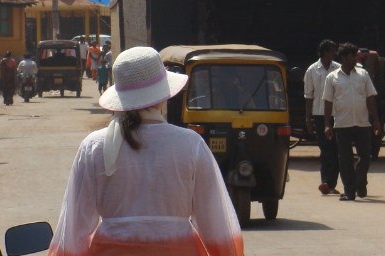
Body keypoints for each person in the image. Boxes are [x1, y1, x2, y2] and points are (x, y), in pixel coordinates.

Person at [48, 45, 244, 256]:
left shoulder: (93, 147)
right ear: (163, 97)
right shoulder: (191, 145)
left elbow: (73, 229)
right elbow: (217, 224)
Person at [323, 41, 381, 201]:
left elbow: (370, 98)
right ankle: (350, 192)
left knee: (365, 157)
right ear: (343, 58)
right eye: (351, 57)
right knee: (345, 159)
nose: (355, 59)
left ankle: (360, 183)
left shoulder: (363, 75)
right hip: (342, 124)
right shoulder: (332, 77)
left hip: (362, 123)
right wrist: (327, 124)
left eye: (355, 56)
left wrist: (375, 120)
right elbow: (328, 101)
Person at [304, 39, 340, 195]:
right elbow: (308, 96)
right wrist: (308, 118)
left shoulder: (339, 69)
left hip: (337, 115)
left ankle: (331, 183)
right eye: (333, 50)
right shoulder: (312, 70)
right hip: (319, 115)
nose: (335, 53)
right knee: (326, 150)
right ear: (325, 52)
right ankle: (325, 182)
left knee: (337, 150)